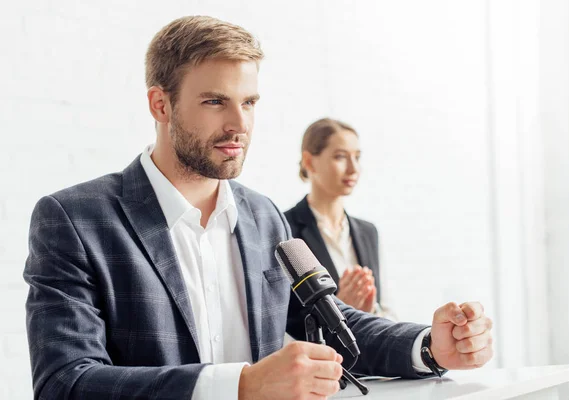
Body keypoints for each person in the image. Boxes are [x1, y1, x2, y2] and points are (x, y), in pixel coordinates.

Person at [24, 16, 493, 400]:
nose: (238, 124)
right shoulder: (75, 220)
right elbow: (66, 383)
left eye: (249, 102)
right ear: (160, 104)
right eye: (215, 102)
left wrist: (429, 347)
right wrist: (242, 386)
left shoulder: (263, 215)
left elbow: (333, 321)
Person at [285, 118, 395, 318]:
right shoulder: (285, 231)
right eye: (340, 157)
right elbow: (283, 321)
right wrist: (340, 307)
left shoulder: (368, 232)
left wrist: (371, 310)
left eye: (357, 157)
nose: (353, 169)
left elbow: (386, 310)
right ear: (309, 161)